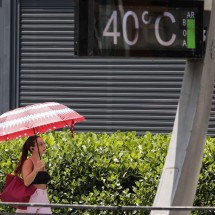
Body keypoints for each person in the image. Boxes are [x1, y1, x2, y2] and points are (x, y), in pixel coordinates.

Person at [15, 135, 52, 214]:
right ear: (32, 148)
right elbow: (26, 182)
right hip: (31, 196)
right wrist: (36, 169)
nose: (44, 146)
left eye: (44, 143)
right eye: (40, 144)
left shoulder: (41, 162)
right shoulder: (28, 162)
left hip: (43, 196)